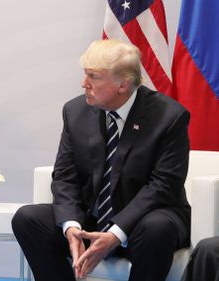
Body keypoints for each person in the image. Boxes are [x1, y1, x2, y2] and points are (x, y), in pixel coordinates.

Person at [12, 39, 191, 281]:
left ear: (123, 84)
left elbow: (163, 186)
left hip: (146, 218)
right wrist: (71, 225)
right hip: (93, 218)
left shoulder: (169, 116)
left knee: (156, 228)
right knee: (28, 219)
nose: (83, 83)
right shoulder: (75, 111)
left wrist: (116, 233)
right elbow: (65, 176)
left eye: (93, 77)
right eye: (85, 74)